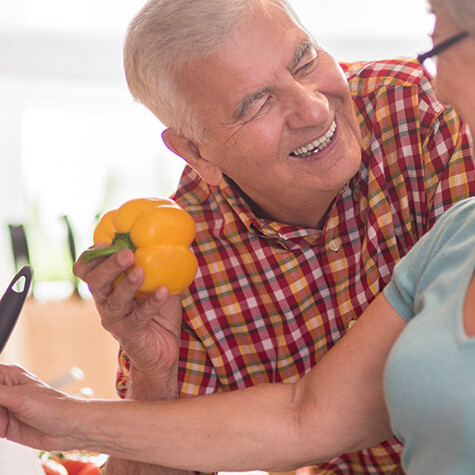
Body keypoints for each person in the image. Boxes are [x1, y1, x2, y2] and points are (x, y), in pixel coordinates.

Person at [11, 0, 473, 474]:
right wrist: (154, 373)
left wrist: (70, 419)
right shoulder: (178, 258)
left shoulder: (431, 110)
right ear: (195, 152)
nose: (312, 108)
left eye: (305, 60)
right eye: (257, 103)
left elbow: (337, 413)